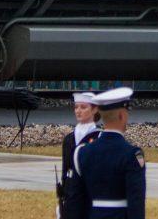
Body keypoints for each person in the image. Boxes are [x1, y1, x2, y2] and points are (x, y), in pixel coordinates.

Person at [73, 87, 145, 219]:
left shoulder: (82, 152)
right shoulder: (132, 154)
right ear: (122, 116)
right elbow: (136, 202)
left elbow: (76, 200)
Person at [59, 92, 102, 219]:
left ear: (94, 109)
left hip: (91, 195)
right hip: (71, 195)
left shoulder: (99, 136)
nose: (78, 111)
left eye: (83, 107)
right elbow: (65, 171)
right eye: (76, 107)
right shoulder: (69, 139)